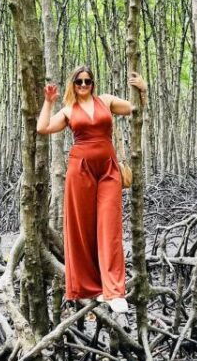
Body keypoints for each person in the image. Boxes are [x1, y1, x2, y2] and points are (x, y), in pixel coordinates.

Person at [36, 65, 148, 314]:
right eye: (79, 82)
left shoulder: (105, 101)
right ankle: (90, 288)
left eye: (88, 81)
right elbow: (42, 128)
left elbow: (134, 109)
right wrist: (48, 102)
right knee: (83, 228)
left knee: (110, 227)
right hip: (80, 170)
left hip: (108, 169)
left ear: (93, 83)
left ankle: (114, 291)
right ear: (73, 85)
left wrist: (143, 90)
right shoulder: (67, 110)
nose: (84, 86)